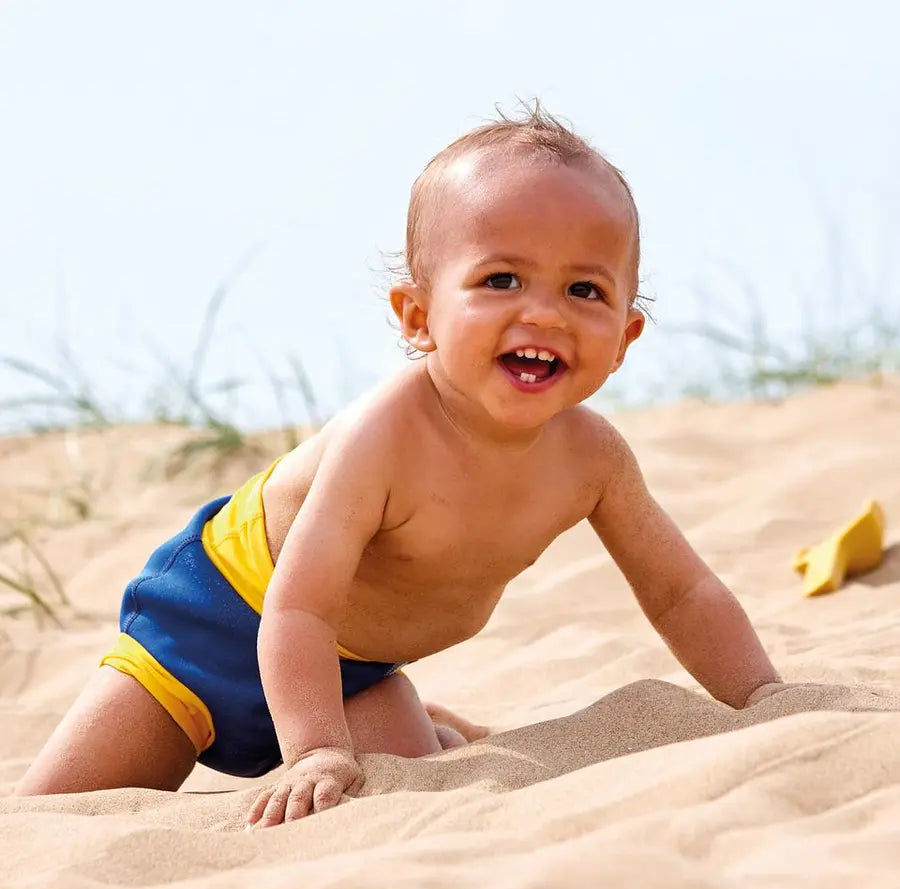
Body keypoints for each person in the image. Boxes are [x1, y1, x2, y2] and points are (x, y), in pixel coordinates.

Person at [15, 105, 784, 827]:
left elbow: (682, 593)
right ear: (418, 315)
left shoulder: (594, 460)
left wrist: (765, 698)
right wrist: (314, 748)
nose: (544, 313)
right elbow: (300, 609)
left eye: (585, 289)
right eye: (501, 280)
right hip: (211, 631)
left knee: (406, 789)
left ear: (624, 336)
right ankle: (347, 733)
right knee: (52, 813)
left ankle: (426, 730)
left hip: (356, 672)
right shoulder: (383, 435)